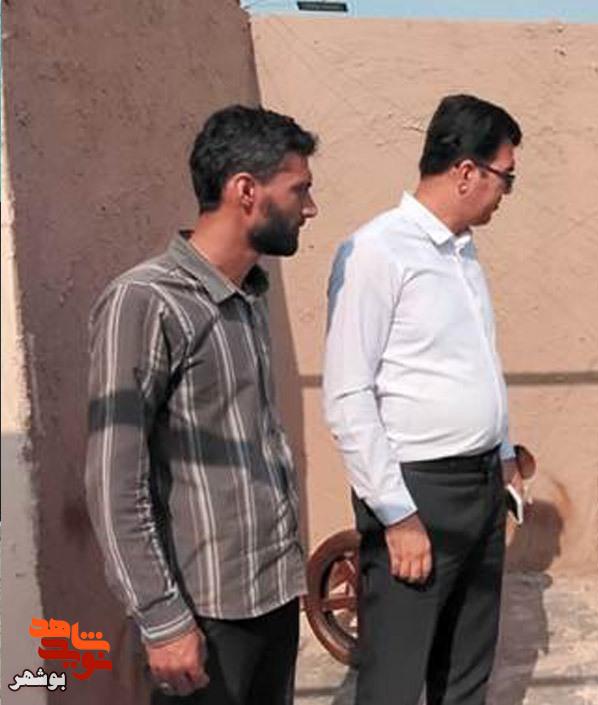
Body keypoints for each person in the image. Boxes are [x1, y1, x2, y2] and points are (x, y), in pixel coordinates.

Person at [85, 105, 319, 703]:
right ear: (246, 191)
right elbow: (115, 482)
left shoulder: (249, 295)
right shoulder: (146, 301)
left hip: (272, 595)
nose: (310, 208)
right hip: (203, 616)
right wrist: (163, 619)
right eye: (299, 189)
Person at [322, 93, 524, 705]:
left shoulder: (463, 254)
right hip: (419, 494)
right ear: (467, 172)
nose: (506, 194)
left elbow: (479, 362)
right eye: (505, 178)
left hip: (481, 488)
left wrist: (504, 456)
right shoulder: (376, 252)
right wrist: (397, 515)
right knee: (396, 675)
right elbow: (348, 394)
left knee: (466, 668)